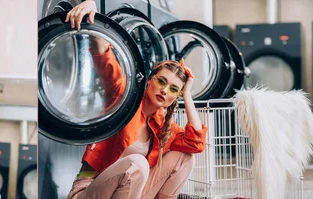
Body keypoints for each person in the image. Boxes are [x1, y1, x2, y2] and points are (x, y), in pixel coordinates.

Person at [65, 1, 208, 198]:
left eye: (173, 89)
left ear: (175, 96)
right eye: (162, 82)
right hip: (90, 190)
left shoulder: (163, 126)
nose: (165, 90)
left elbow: (196, 143)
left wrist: (188, 94)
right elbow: (103, 56)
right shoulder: (123, 97)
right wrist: (92, 7)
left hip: (131, 194)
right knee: (137, 163)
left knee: (185, 158)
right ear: (149, 81)